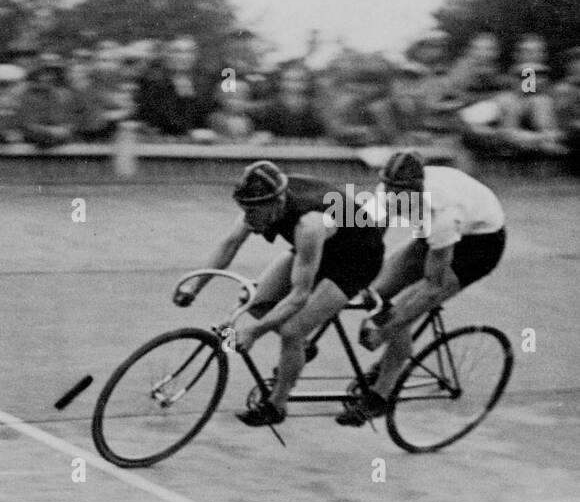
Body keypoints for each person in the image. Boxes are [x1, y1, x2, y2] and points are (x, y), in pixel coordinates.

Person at [175, 160, 386, 425]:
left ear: (276, 203)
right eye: (244, 209)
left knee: (292, 330)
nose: (247, 217)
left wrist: (254, 332)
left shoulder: (308, 225)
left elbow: (299, 296)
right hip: (321, 247)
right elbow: (229, 245)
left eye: (253, 211)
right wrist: (193, 288)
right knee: (250, 299)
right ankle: (301, 350)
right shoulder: (263, 200)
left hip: (356, 261)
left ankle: (277, 406)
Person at [338, 151, 507, 425]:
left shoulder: (443, 214)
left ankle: (380, 397)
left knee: (403, 311)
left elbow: (431, 285)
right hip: (432, 235)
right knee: (375, 295)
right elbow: (370, 239)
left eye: (401, 196)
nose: (394, 201)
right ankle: (392, 356)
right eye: (390, 193)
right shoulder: (388, 191)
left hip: (478, 247)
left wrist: (385, 329)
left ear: (417, 191)